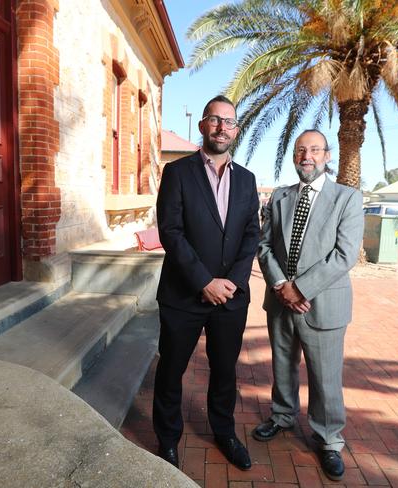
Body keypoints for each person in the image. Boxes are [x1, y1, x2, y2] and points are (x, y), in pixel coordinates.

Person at [153, 95, 260, 470]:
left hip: (230, 298)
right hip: (184, 294)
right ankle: (167, 440)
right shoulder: (178, 173)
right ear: (202, 126)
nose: (221, 127)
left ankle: (225, 432)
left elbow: (251, 236)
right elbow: (171, 232)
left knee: (225, 371)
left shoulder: (247, 180)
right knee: (170, 371)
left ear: (236, 130)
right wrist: (204, 282)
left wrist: (230, 282)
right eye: (215, 120)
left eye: (229, 122)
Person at [252, 130, 363, 481]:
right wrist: (281, 285)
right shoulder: (281, 197)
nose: (307, 156)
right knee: (283, 364)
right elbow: (264, 244)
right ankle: (283, 416)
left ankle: (329, 439)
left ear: (327, 156)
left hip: (323, 302)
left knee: (325, 375)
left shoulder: (347, 198)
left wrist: (300, 288)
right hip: (280, 298)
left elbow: (344, 255)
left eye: (315, 149)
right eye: (301, 150)